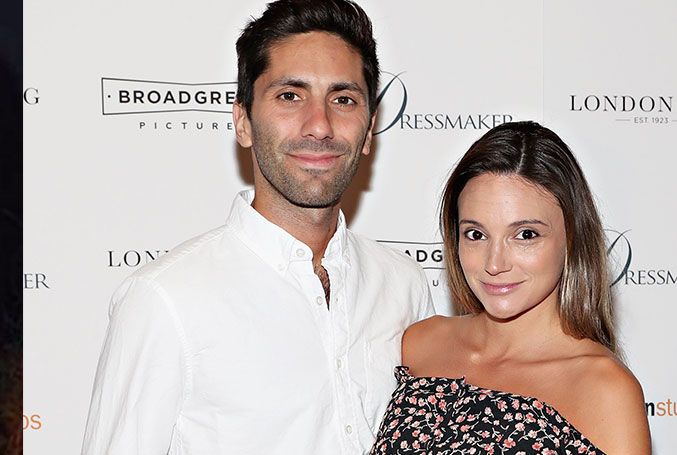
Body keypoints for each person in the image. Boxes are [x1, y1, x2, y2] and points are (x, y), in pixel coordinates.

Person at [81, 1, 434, 454]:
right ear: (243, 122)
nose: (320, 125)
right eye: (290, 96)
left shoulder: (404, 285)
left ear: (368, 131)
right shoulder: (165, 300)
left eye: (343, 99)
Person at [371, 122, 651, 455]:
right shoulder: (419, 344)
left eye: (525, 235)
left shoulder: (605, 389)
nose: (495, 263)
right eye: (476, 234)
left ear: (571, 237)